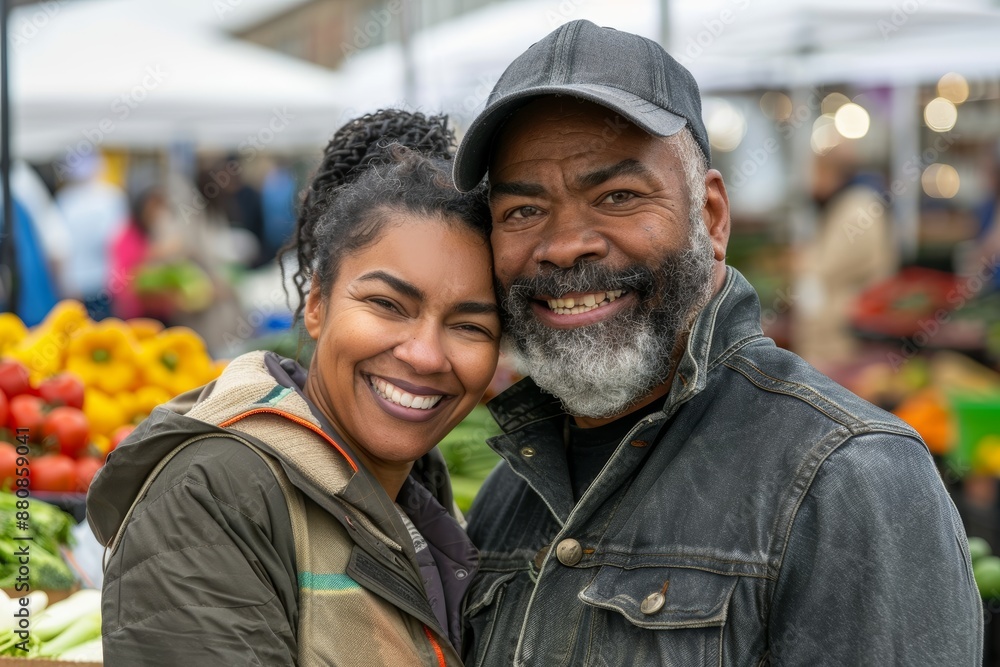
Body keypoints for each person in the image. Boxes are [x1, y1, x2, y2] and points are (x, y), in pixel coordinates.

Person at [451, 20, 982, 666]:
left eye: (617, 195)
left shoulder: (847, 479)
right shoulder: (507, 498)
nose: (565, 246)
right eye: (523, 211)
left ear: (712, 217)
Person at [86, 110, 500, 666]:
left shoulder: (416, 498)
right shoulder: (213, 495)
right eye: (386, 305)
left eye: (470, 325)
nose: (425, 355)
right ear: (316, 304)